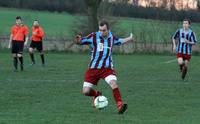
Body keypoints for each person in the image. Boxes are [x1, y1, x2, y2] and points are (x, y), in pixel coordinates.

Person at [75, 20, 133, 114]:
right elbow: (81, 41)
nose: (101, 32)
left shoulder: (111, 38)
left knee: (113, 84)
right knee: (85, 91)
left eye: (104, 30)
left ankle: (120, 105)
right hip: (93, 69)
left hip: (107, 68)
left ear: (108, 30)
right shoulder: (93, 36)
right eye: (100, 30)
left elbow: (120, 41)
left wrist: (129, 38)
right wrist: (77, 40)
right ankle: (97, 94)